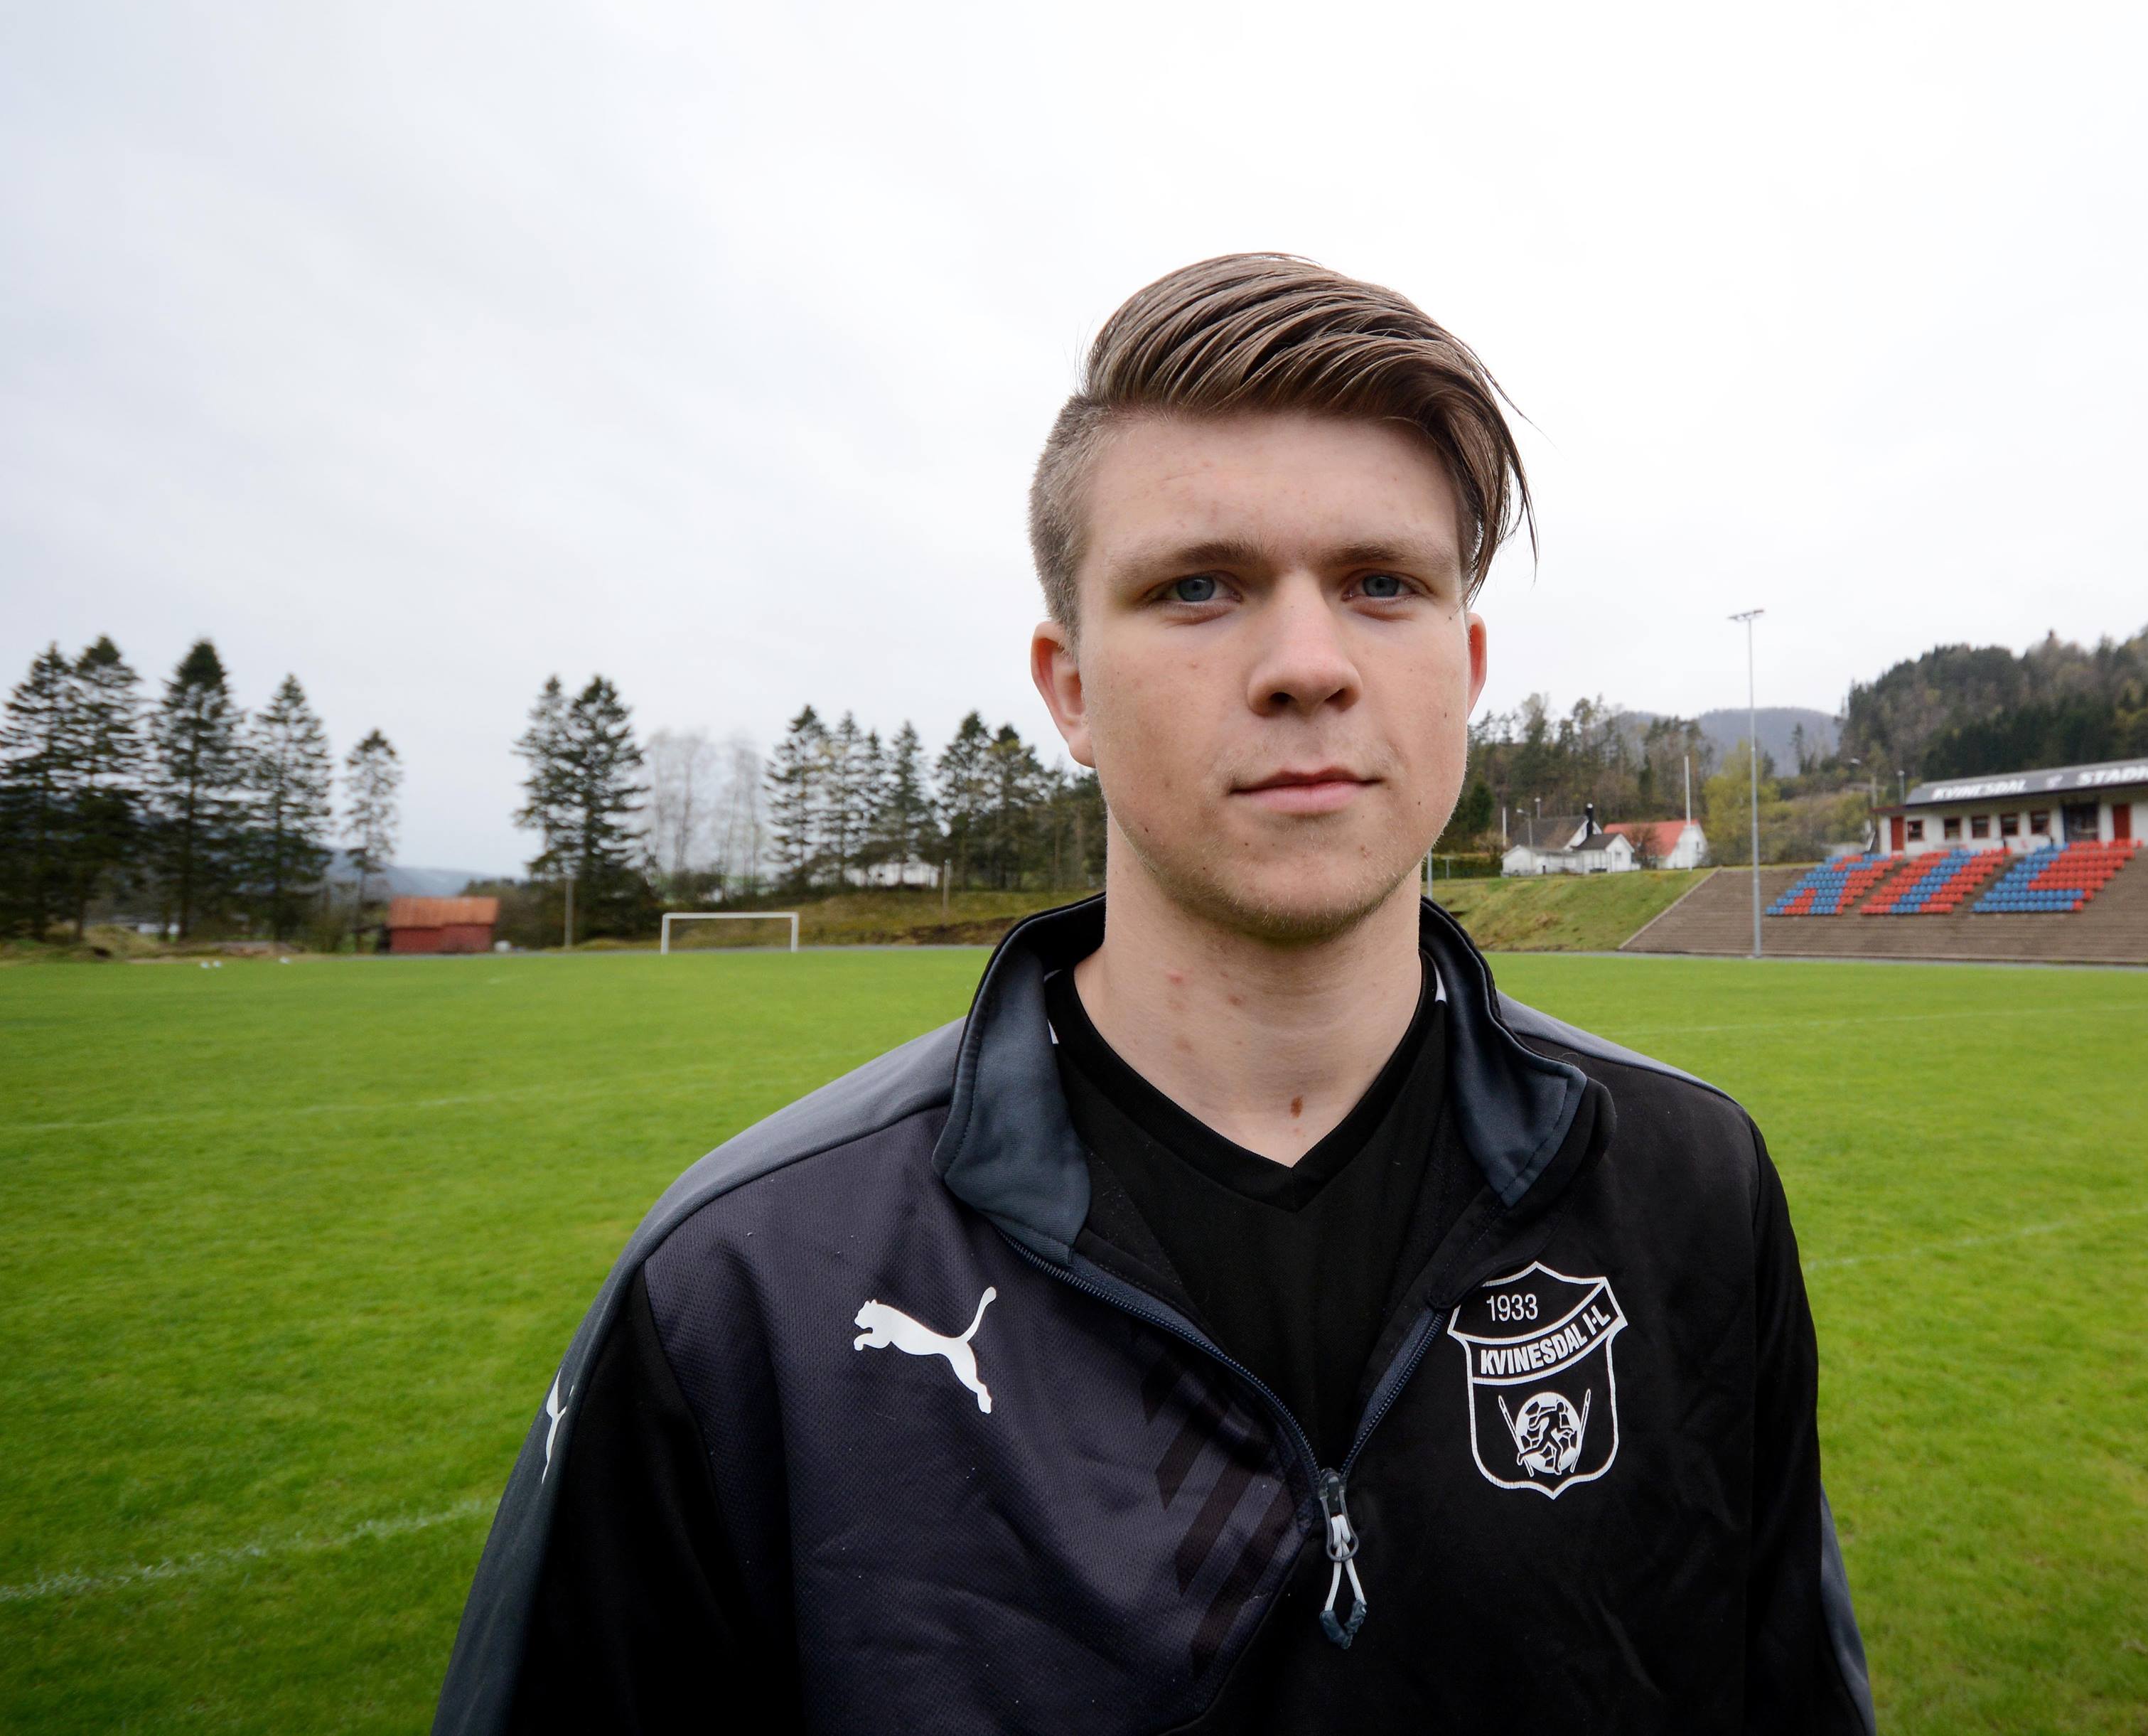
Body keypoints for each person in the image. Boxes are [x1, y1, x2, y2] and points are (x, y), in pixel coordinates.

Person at [434, 254, 1874, 1735]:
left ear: (1466, 663)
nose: (1306, 665)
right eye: (1198, 588)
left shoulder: (1691, 1187)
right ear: (1067, 687)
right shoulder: (743, 1290)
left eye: (1382, 585)